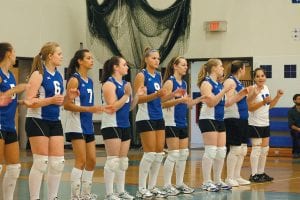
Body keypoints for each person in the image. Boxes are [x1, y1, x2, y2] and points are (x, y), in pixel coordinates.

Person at [25, 42, 78, 200]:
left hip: (55, 121)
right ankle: (34, 198)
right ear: (50, 56)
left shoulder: (59, 75)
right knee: (41, 162)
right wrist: (50, 100)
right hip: (37, 120)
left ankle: (52, 197)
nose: (62, 57)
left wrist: (68, 97)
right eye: (59, 54)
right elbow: (28, 101)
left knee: (58, 163)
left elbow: (58, 101)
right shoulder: (38, 74)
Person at [64, 49, 115, 200]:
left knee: (92, 160)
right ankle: (75, 196)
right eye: (88, 58)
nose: (91, 60)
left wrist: (99, 109)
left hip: (87, 125)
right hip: (75, 124)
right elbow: (66, 105)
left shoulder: (91, 81)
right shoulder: (74, 80)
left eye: (92, 58)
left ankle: (85, 194)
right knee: (81, 160)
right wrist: (89, 109)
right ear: (80, 61)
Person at [134, 48, 185, 199]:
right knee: (149, 154)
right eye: (154, 58)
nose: (157, 61)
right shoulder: (141, 75)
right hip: (145, 117)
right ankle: (141, 188)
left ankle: (153, 186)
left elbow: (160, 99)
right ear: (146, 59)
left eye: (158, 58)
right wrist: (156, 94)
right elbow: (137, 100)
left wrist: (172, 95)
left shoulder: (157, 75)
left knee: (158, 154)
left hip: (158, 117)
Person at [101, 56, 144, 200]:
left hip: (125, 124)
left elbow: (130, 107)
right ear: (115, 67)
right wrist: (126, 94)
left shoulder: (126, 84)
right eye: (124, 65)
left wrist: (136, 95)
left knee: (122, 161)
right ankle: (109, 193)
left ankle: (120, 191)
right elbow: (112, 107)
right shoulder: (109, 84)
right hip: (111, 124)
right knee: (112, 160)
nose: (127, 67)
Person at [162, 56, 205, 196]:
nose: (186, 67)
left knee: (183, 154)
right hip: (171, 122)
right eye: (183, 65)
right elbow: (162, 103)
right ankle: (167, 184)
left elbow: (187, 104)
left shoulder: (184, 84)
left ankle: (179, 183)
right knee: (173, 154)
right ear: (175, 66)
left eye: (186, 65)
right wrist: (179, 99)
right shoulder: (170, 82)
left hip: (182, 122)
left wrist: (200, 99)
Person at [197, 58, 232, 192]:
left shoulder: (218, 84)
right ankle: (206, 182)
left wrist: (240, 94)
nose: (223, 69)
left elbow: (225, 103)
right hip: (208, 119)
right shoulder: (206, 84)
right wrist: (224, 90)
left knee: (221, 151)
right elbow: (211, 103)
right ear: (214, 68)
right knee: (211, 150)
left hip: (219, 119)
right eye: (221, 66)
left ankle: (217, 180)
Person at [0, 42, 28, 200]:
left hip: (10, 124)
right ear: (8, 53)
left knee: (14, 167)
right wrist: (16, 90)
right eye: (14, 51)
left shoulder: (10, 75)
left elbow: (7, 100)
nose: (16, 54)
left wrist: (22, 102)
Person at [223, 60, 258, 187]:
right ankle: (229, 177)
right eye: (244, 69)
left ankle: (237, 176)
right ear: (241, 69)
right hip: (233, 118)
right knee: (235, 148)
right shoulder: (230, 81)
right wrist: (243, 92)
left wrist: (254, 93)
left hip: (243, 118)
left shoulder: (238, 82)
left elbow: (244, 100)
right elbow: (228, 102)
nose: (245, 71)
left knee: (243, 149)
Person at [248, 68, 283, 183]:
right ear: (254, 78)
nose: (260, 78)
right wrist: (262, 102)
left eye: (262, 76)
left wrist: (277, 97)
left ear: (265, 77)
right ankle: (253, 175)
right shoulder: (252, 89)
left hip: (265, 122)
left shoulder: (266, 88)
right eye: (257, 76)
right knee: (257, 149)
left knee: (265, 149)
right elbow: (250, 108)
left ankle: (261, 173)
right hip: (255, 123)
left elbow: (269, 106)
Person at [288, 94, 300, 158]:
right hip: (296, 129)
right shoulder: (291, 111)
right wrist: (298, 129)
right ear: (294, 100)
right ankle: (296, 153)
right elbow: (290, 125)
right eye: (299, 99)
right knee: (296, 134)